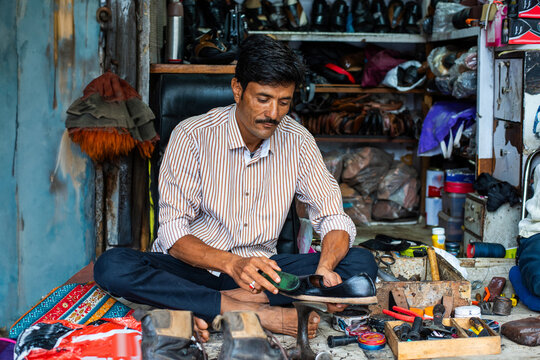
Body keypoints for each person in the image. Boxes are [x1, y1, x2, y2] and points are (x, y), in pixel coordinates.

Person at [94, 34, 377, 341]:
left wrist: (324, 271)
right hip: (194, 268)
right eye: (263, 99)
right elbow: (174, 234)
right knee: (113, 266)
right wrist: (233, 264)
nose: (274, 114)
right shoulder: (192, 136)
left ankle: (208, 306)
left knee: (360, 262)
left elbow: (333, 217)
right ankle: (251, 311)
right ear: (237, 90)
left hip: (264, 275)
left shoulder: (298, 140)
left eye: (284, 102)